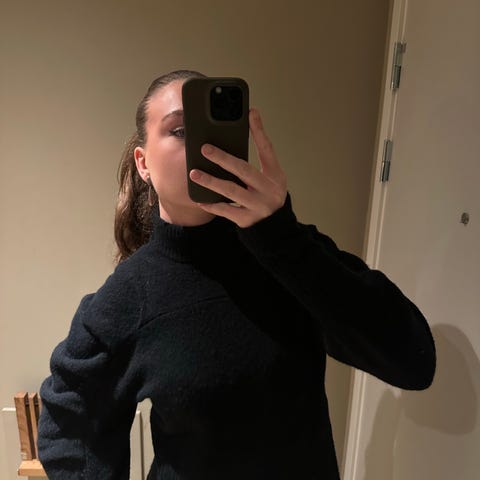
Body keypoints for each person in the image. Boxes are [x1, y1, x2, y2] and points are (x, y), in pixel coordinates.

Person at [37, 69, 436, 480]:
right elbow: (68, 428)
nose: (201, 145)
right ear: (143, 164)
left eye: (211, 130)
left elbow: (412, 361)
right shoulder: (130, 295)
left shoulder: (290, 254)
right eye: (179, 131)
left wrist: (281, 236)